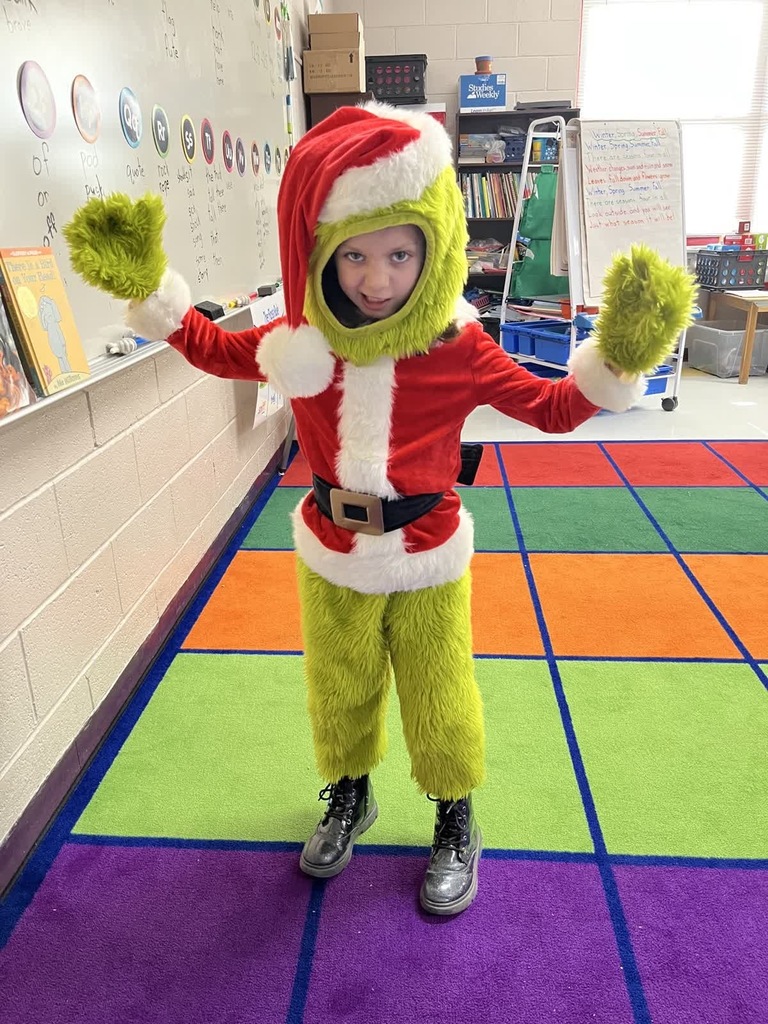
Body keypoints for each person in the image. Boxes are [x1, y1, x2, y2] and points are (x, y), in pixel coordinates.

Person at [64, 102, 690, 916]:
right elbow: (219, 351)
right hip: (332, 548)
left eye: (399, 252)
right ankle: (351, 794)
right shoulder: (304, 339)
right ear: (321, 253)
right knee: (342, 686)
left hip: (427, 549)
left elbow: (550, 408)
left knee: (438, 691)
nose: (376, 277)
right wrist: (155, 297)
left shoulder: (458, 345)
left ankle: (455, 816)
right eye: (354, 255)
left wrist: (616, 364)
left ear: (434, 246)